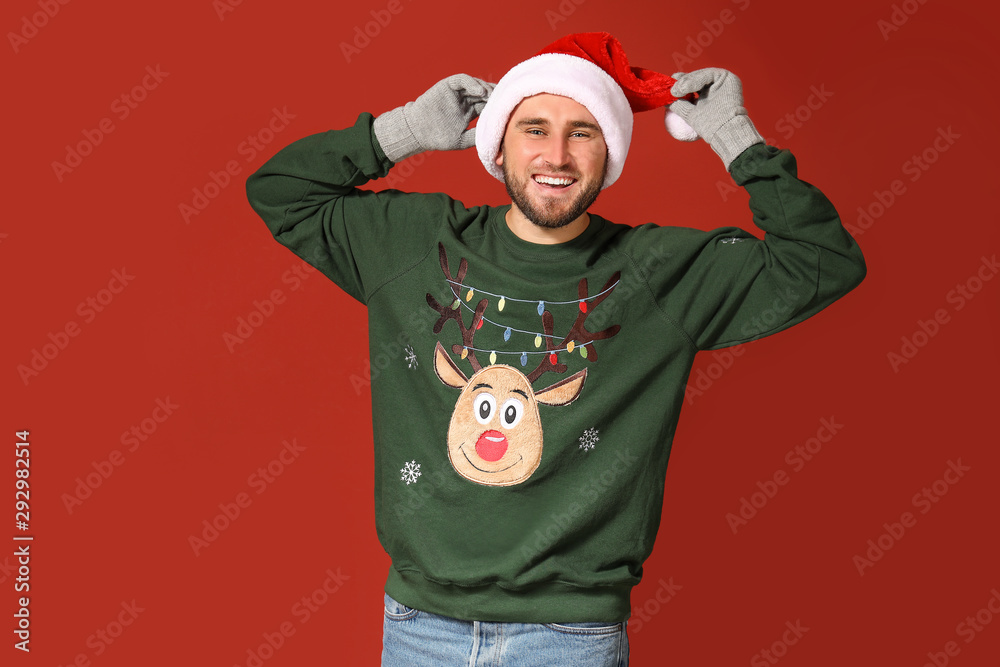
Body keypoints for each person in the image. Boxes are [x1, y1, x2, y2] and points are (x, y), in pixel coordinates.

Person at [246, 32, 865, 667]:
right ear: (498, 143)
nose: (558, 155)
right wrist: (401, 131)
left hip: (569, 638)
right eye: (534, 128)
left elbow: (821, 262)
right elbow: (280, 192)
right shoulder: (414, 244)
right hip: (419, 628)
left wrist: (736, 138)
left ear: (610, 152)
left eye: (583, 132)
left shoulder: (657, 273)